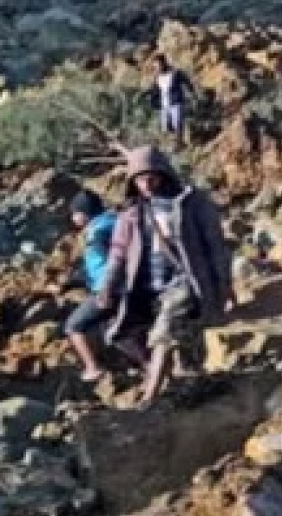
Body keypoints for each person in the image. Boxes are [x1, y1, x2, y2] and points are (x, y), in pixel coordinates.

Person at [97, 147, 232, 407]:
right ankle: (186, 382)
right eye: (140, 179)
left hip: (184, 281)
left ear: (163, 174)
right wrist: (108, 287)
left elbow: (215, 245)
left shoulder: (191, 204)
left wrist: (224, 284)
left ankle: (150, 394)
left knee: (165, 330)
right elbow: (118, 254)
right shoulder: (131, 214)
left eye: (151, 177)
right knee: (126, 333)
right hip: (146, 286)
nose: (146, 184)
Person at [64, 190, 120, 383]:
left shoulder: (98, 232)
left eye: (74, 213)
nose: (72, 218)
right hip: (124, 287)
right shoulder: (114, 222)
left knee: (73, 326)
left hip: (107, 289)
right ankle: (148, 365)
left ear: (84, 213)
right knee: (119, 333)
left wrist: (106, 288)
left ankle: (92, 368)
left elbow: (108, 261)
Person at [152, 56, 194, 142]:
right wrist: (153, 100)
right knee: (166, 127)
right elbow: (155, 90)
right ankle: (177, 139)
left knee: (178, 124)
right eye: (155, 67)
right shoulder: (157, 77)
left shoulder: (175, 73)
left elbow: (187, 81)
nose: (157, 68)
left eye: (158, 65)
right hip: (164, 105)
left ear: (164, 63)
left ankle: (179, 142)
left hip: (176, 103)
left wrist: (191, 92)